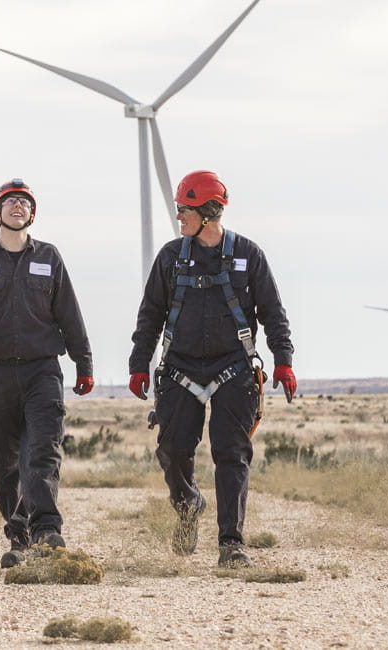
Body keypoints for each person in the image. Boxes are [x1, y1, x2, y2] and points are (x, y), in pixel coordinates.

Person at [127, 169, 296, 568]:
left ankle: (231, 543)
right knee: (172, 450)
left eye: (184, 210)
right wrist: (139, 364)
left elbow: (273, 313)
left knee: (232, 454)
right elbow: (150, 315)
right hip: (179, 369)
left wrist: (283, 360)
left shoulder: (248, 254)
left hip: (234, 369)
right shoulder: (170, 256)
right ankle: (188, 505)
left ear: (207, 212)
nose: (179, 217)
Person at [0, 178, 95, 567]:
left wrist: (84, 364)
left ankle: (46, 531)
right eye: (10, 202)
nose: (18, 207)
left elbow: (70, 315)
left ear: (32, 214)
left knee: (41, 453)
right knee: (5, 465)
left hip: (43, 370)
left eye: (24, 203)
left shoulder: (50, 257)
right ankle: (19, 536)